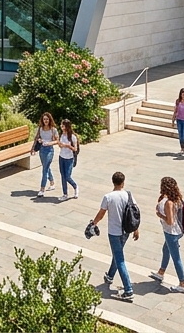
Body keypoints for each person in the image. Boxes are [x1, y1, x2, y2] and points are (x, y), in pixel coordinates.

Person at [89, 171, 138, 301]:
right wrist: (136, 229)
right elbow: (135, 213)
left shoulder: (108, 197)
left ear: (113, 182)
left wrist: (94, 223)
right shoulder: (129, 195)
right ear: (123, 183)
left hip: (114, 232)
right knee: (118, 254)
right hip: (126, 231)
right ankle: (110, 276)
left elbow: (101, 214)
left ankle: (128, 290)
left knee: (120, 259)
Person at [155, 176, 184, 293]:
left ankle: (182, 283)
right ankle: (161, 272)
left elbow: (170, 221)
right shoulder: (177, 198)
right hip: (178, 231)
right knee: (165, 249)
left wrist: (160, 215)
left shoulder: (169, 202)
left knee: (176, 258)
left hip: (171, 233)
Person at [35, 112, 58, 196]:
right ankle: (52, 182)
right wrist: (39, 141)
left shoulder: (53, 130)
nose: (45, 121)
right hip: (42, 150)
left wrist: (49, 143)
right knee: (46, 167)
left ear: (49, 120)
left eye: (47, 119)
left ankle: (42, 189)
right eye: (44, 119)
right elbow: (37, 138)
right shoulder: (40, 129)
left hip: (49, 150)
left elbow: (57, 141)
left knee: (44, 170)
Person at [57, 119, 80, 201]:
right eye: (61, 125)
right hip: (61, 157)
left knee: (67, 176)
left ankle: (75, 186)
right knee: (63, 176)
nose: (61, 127)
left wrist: (68, 146)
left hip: (69, 158)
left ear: (66, 127)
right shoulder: (62, 135)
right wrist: (60, 144)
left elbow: (75, 149)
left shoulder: (73, 137)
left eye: (62, 126)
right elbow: (60, 145)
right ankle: (65, 193)